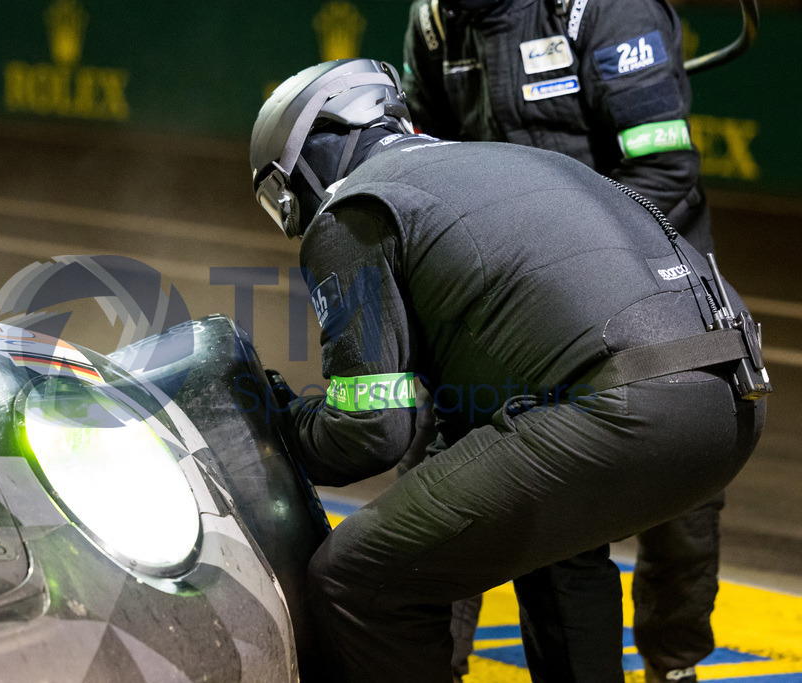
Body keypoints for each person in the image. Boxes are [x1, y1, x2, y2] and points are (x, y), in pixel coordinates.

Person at [249, 58, 767, 682]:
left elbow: (369, 434)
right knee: (556, 552)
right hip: (735, 400)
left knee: (357, 578)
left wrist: (273, 426)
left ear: (294, 174)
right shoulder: (505, 163)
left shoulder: (353, 209)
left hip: (626, 406)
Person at [401, 1, 721, 680]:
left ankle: (674, 665)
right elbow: (424, 163)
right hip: (518, 296)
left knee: (678, 503)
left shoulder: (608, 9)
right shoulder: (434, 19)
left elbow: (666, 174)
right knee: (445, 480)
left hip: (656, 287)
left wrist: (554, 263)